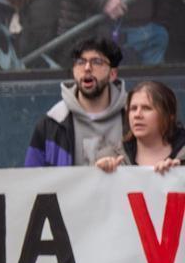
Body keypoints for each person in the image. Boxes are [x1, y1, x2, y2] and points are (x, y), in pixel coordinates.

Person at [25, 37, 127, 167]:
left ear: (112, 74)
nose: (87, 68)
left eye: (96, 62)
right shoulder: (52, 124)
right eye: (80, 62)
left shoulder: (132, 116)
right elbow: (32, 178)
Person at [96, 81, 184, 174]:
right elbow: (89, 186)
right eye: (133, 108)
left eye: (146, 108)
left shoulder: (182, 159)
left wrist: (179, 174)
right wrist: (98, 174)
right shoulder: (109, 157)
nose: (137, 115)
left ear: (169, 116)